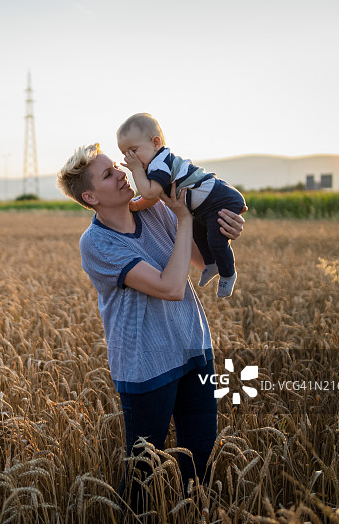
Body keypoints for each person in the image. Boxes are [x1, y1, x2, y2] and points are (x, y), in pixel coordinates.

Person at [57, 143, 245, 515]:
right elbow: (170, 287)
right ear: (90, 196)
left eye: (116, 166)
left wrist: (224, 228)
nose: (122, 173)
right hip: (146, 368)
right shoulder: (96, 243)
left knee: (200, 467)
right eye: (109, 173)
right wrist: (185, 219)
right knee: (143, 474)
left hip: (194, 352)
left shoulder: (156, 209)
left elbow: (201, 258)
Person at [117, 113, 246, 297]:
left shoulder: (159, 163)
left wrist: (136, 170)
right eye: (125, 154)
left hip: (218, 199)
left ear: (155, 143)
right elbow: (157, 195)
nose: (130, 158)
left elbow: (150, 192)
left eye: (133, 150)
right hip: (203, 206)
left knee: (216, 242)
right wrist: (137, 206)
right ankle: (211, 264)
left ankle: (228, 274)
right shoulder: (154, 164)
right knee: (199, 235)